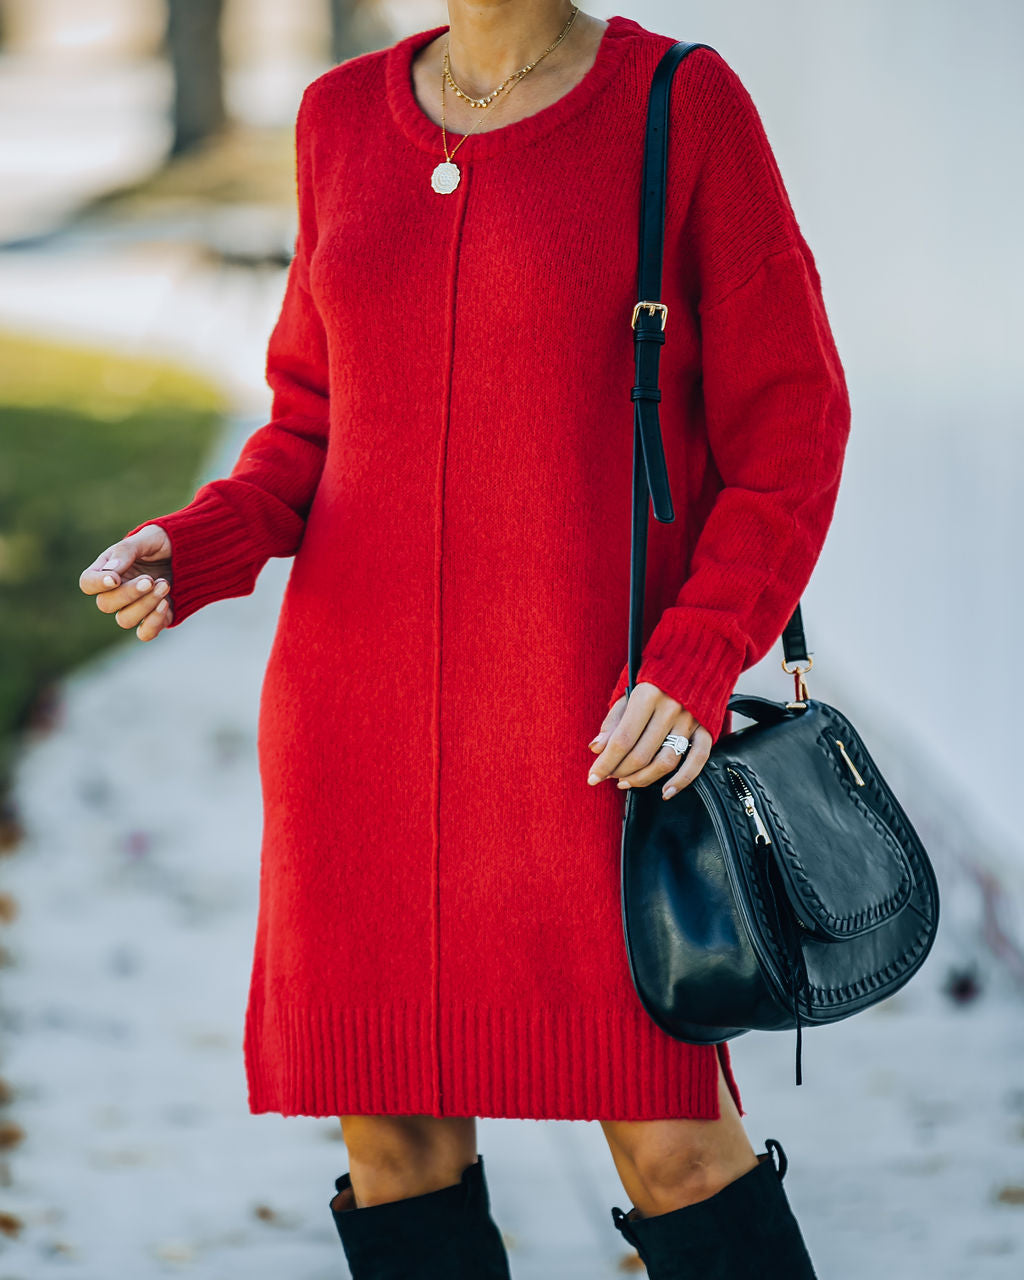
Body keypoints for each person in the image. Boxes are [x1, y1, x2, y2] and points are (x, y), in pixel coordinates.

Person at [79, 3, 850, 1276]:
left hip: (589, 733)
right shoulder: (338, 119)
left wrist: (700, 655)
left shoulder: (679, 105)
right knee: (396, 1157)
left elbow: (792, 426)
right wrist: (202, 541)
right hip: (354, 733)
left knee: (678, 1154)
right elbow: (310, 417)